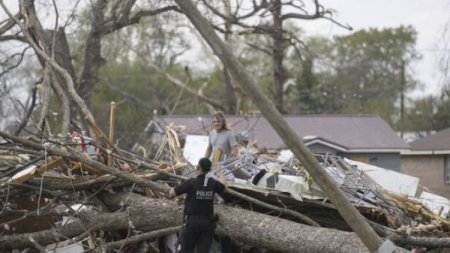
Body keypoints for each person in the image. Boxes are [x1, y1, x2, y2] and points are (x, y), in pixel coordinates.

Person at [169, 158, 227, 253]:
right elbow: (225, 187)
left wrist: (172, 190)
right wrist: (221, 171)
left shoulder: (191, 183)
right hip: (208, 225)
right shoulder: (212, 183)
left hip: (192, 224)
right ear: (209, 169)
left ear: (198, 167)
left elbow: (172, 193)